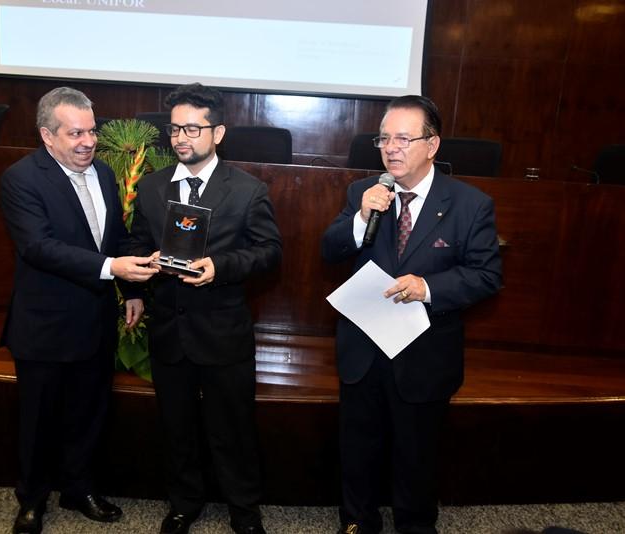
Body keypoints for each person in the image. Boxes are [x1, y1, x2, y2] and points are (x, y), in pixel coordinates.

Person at [321, 95, 502, 534]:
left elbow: (486, 275)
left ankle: (416, 527)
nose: (391, 148)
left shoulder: (469, 204)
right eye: (384, 139)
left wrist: (428, 288)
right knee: (358, 451)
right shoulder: (363, 193)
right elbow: (330, 249)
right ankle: (356, 524)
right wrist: (361, 218)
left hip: (424, 355)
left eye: (403, 138)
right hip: (364, 350)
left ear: (432, 145)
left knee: (416, 456)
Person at [0, 86, 158, 534]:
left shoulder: (103, 173)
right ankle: (31, 500)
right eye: (75, 133)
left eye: (92, 131)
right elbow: (38, 247)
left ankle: (78, 488)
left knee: (88, 414)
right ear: (47, 135)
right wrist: (112, 268)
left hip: (94, 322)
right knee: (39, 421)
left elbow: (114, 238)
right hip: (45, 327)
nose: (88, 142)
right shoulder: (21, 179)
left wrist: (131, 288)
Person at [127, 83, 282, 534]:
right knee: (176, 428)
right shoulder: (152, 187)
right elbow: (135, 243)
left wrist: (221, 267)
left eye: (193, 129)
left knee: (232, 429)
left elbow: (269, 252)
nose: (181, 137)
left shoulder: (248, 190)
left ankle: (244, 510)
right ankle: (183, 503)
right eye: (175, 128)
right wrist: (141, 270)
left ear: (218, 133)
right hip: (169, 330)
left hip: (222, 332)